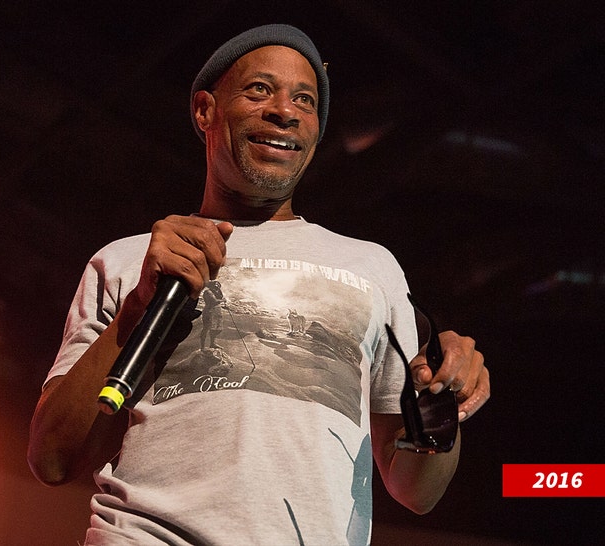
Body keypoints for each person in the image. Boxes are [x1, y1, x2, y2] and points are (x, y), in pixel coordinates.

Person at [28, 24, 490, 545]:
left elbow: (416, 490)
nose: (284, 111)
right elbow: (54, 459)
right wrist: (138, 307)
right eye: (259, 90)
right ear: (205, 110)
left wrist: (444, 400)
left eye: (305, 100)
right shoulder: (128, 260)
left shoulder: (373, 267)